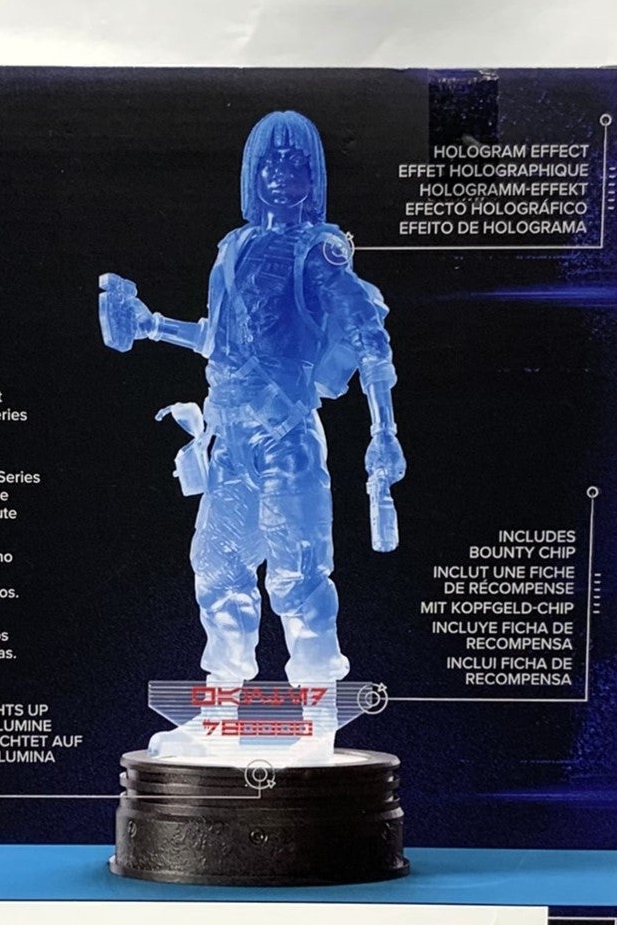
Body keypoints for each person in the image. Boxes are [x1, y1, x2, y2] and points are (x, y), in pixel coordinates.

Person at [99, 109, 404, 698]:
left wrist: (384, 432)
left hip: (287, 434)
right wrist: (151, 324)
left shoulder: (318, 251)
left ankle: (316, 703)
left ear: (312, 175)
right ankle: (224, 697)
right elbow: (220, 338)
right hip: (231, 436)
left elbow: (369, 338)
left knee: (299, 572)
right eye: (270, 161)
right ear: (252, 172)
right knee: (218, 570)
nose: (280, 173)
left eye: (294, 162)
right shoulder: (235, 246)